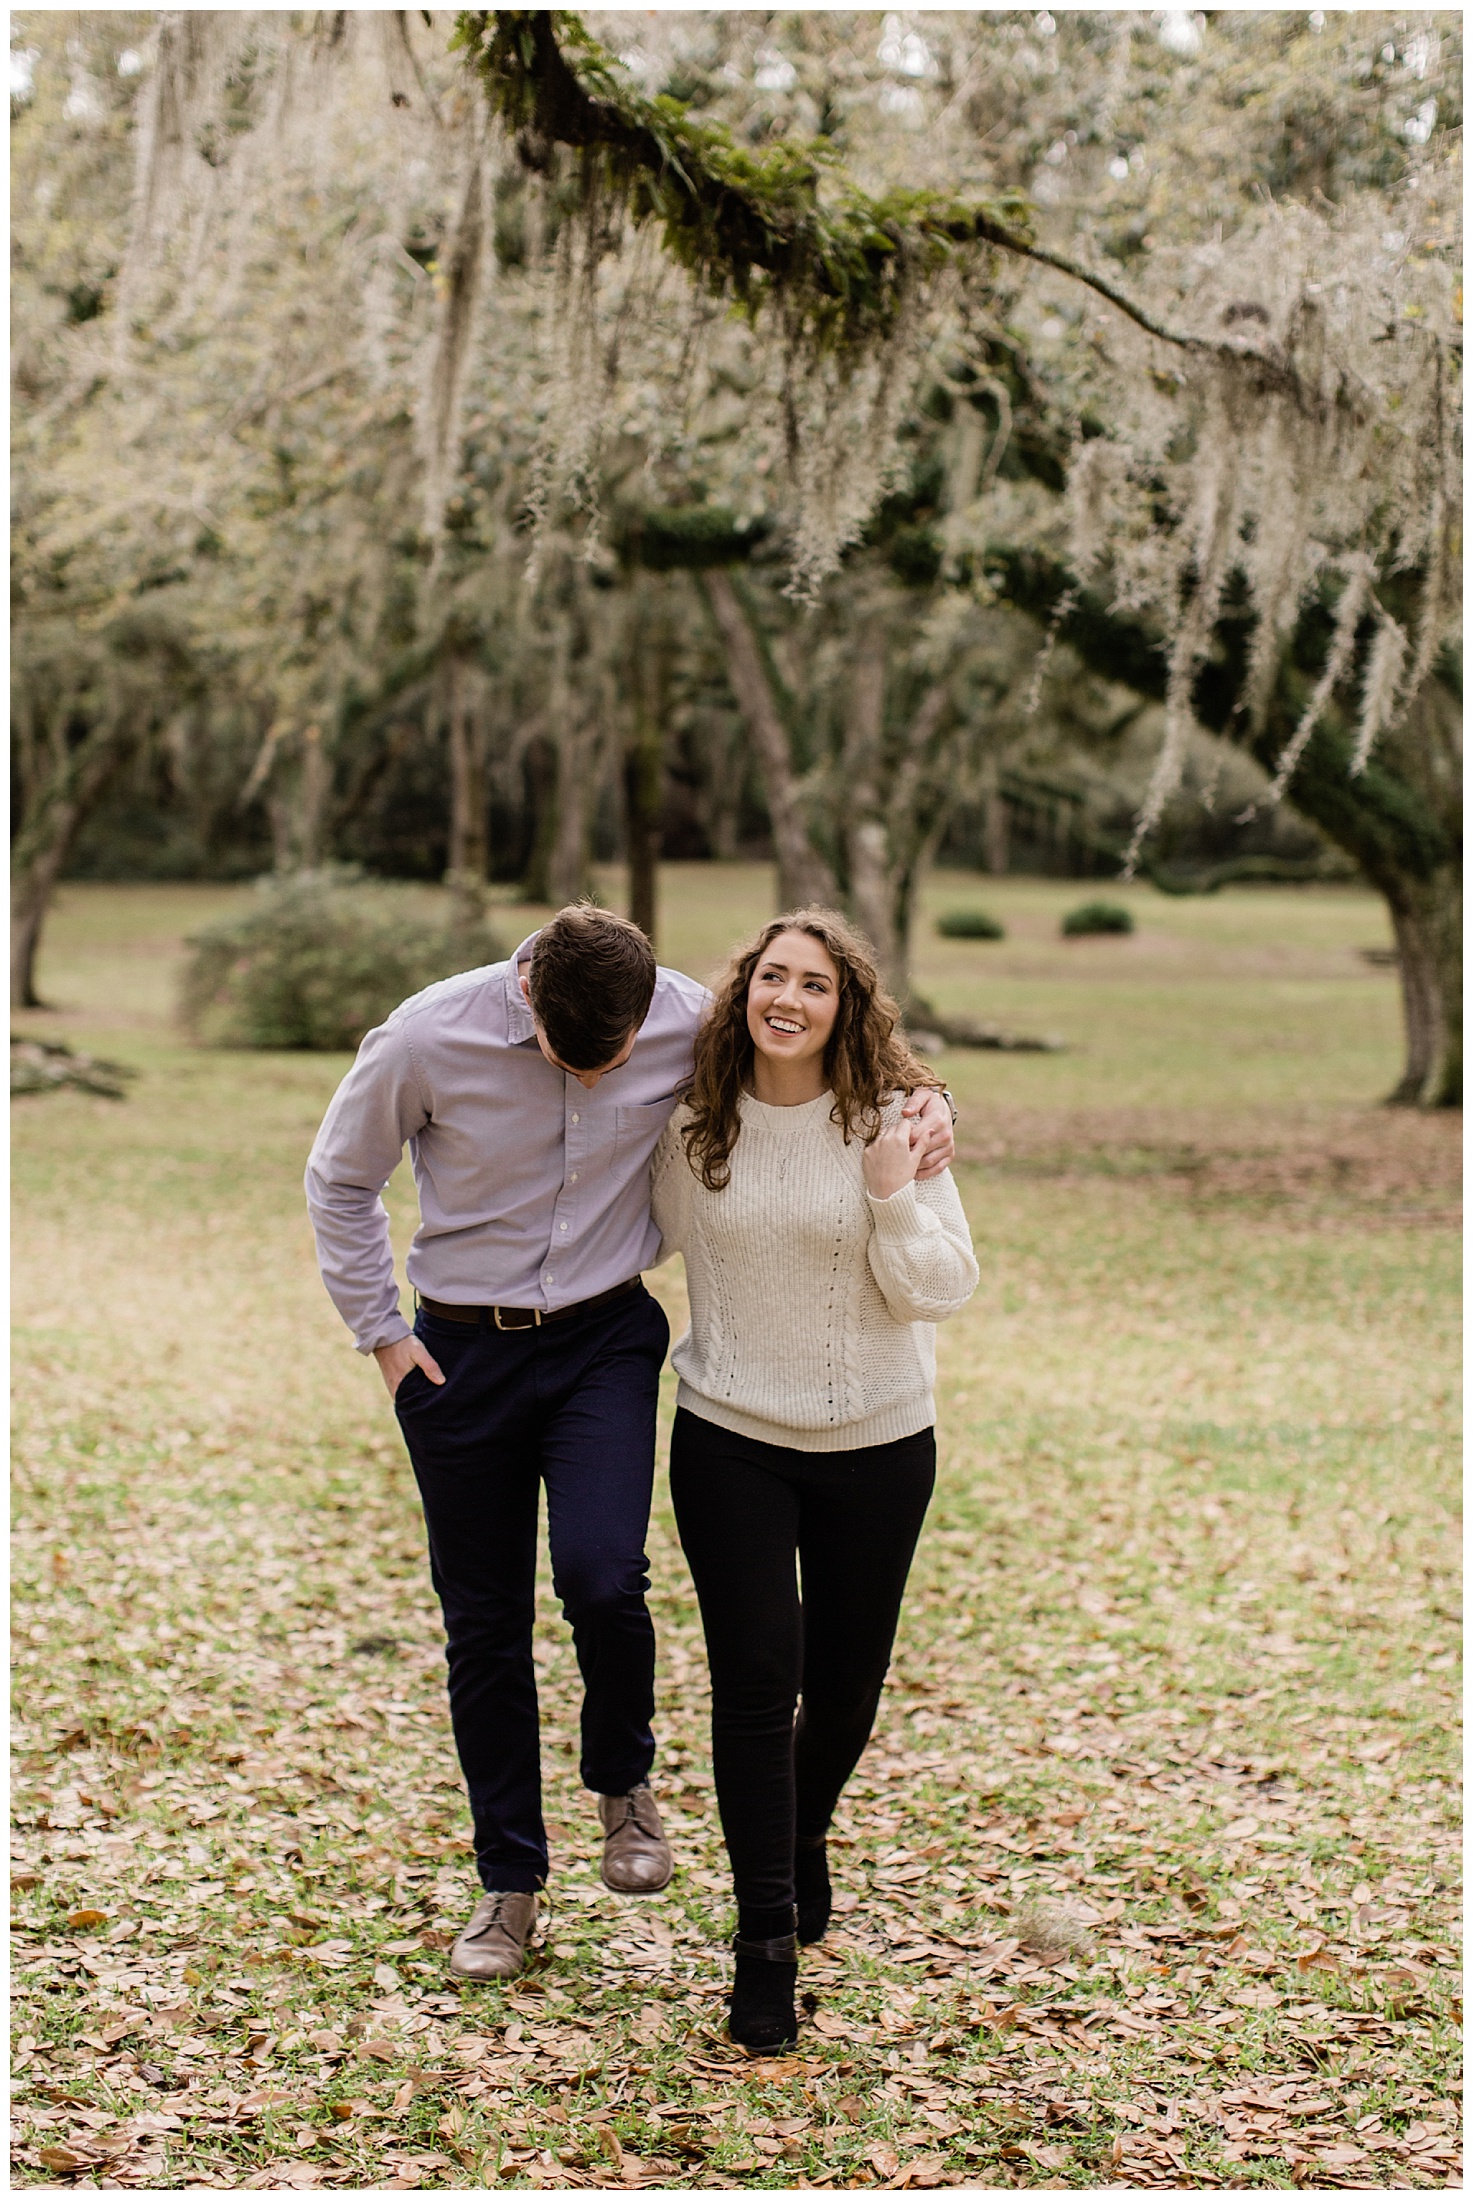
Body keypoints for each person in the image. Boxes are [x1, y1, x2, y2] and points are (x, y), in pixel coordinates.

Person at [304, 902, 958, 1983]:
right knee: (484, 1626)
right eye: (577, 1059)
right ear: (528, 999)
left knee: (604, 1576)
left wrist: (928, 1102)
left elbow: (817, 1036)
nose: (603, 1078)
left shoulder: (686, 1018)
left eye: (619, 1058)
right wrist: (380, 1333)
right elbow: (341, 1179)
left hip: (604, 1340)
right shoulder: (426, 1036)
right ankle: (509, 1885)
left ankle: (622, 1778)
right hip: (460, 1353)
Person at [650, 909, 978, 2051]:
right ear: (743, 990)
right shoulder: (691, 1122)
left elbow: (943, 1285)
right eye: (771, 977)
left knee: (843, 1690)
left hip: (880, 1444)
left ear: (848, 1006)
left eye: (816, 984)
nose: (788, 998)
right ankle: (764, 1942)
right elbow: (622, 1233)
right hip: (729, 1435)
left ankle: (800, 1832)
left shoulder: (896, 1122)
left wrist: (892, 1187)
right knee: (752, 1689)